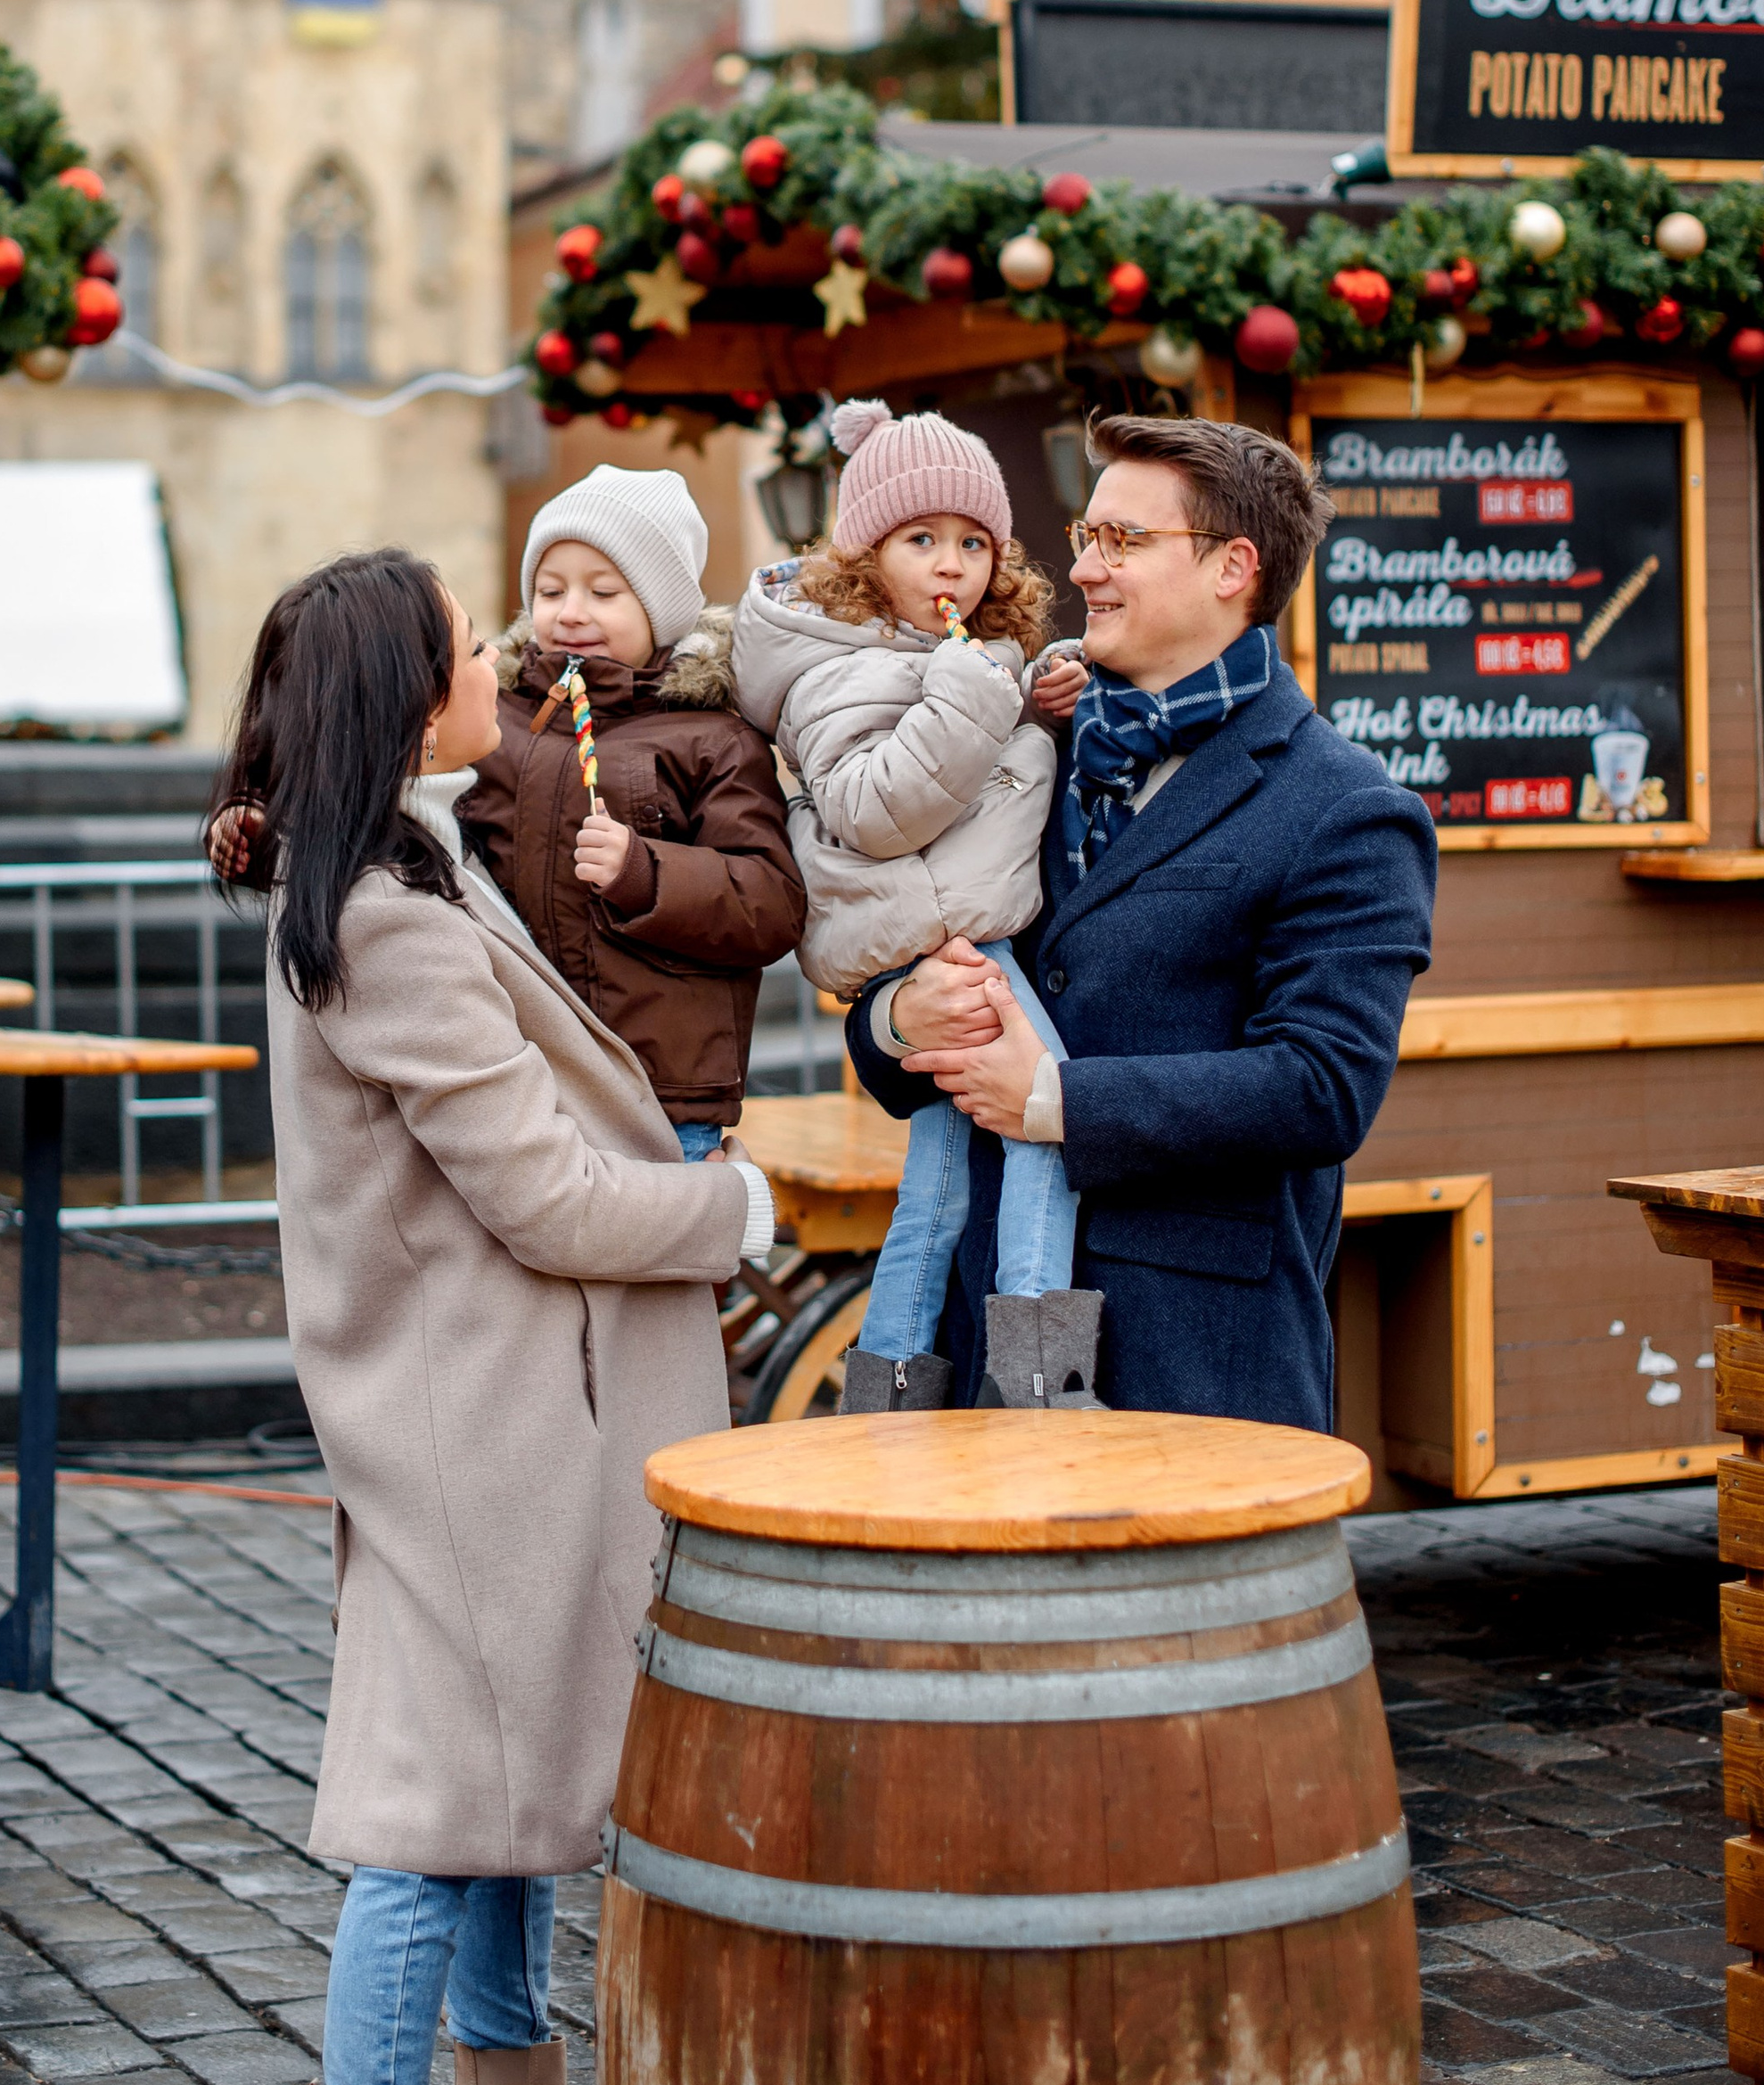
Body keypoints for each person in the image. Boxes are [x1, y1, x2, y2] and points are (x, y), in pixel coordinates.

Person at [225, 548, 775, 2085]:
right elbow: (536, 1192)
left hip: (507, 1420)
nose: (500, 651)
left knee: (510, 1801)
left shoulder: (397, 856)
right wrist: (731, 1209)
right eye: (469, 640)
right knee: (421, 1827)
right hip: (481, 1431)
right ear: (405, 689)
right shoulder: (380, 914)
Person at [845, 412, 1439, 1429]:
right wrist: (903, 1017)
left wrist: (1057, 1101)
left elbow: (1321, 1087)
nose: (1084, 569)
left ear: (1231, 567)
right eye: (1087, 535)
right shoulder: (1018, 751)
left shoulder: (1346, 807)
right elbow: (890, 1018)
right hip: (970, 1350)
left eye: (1123, 541)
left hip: (1195, 1370)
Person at [732, 399, 1091, 1414]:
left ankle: (886, 1385)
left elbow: (943, 765)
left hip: (937, 928)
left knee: (935, 1183)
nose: (951, 564)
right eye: (921, 538)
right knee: (1047, 1120)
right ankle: (1039, 1381)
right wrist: (986, 698)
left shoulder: (923, 654)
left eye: (973, 542)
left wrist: (1020, 702)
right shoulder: (834, 663)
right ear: (863, 551)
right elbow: (873, 807)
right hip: (948, 936)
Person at [462, 464, 807, 1160]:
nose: (571, 611)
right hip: (518, 1069)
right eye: (550, 590)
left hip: (660, 1085)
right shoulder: (495, 724)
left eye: (605, 592)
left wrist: (644, 873)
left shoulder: (712, 736)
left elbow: (770, 902)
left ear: (662, 609)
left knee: (659, 1259)